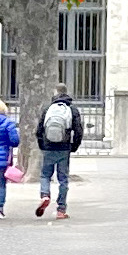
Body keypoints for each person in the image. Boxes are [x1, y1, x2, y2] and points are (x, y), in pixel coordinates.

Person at [34, 81, 85, 219]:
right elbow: (78, 130)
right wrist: (74, 146)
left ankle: (45, 195)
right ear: (66, 92)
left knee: (45, 175)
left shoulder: (48, 108)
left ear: (55, 93)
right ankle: (61, 209)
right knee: (63, 179)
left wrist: (42, 145)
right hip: (64, 148)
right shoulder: (72, 109)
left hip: (48, 147)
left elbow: (39, 130)